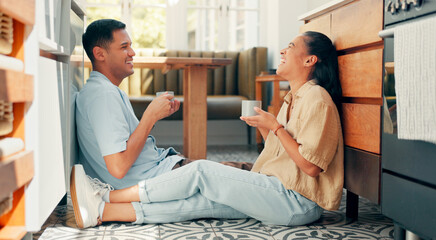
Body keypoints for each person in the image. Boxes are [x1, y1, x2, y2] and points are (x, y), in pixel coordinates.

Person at [71, 30, 344, 229]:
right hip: (284, 196)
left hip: (297, 201)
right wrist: (268, 129)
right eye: (124, 46)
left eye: (290, 46)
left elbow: (310, 167)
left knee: (202, 171)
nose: (283, 51)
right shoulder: (292, 99)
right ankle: (102, 211)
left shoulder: (317, 98)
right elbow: (280, 156)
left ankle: (106, 195)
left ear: (310, 61)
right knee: (200, 201)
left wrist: (275, 127)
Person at [76, 19, 186, 191]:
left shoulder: (107, 91)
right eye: (124, 47)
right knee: (236, 176)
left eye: (130, 46)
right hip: (156, 177)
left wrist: (156, 115)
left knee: (235, 172)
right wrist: (150, 117)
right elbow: (118, 167)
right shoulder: (104, 95)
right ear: (99, 54)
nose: (132, 52)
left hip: (159, 167)